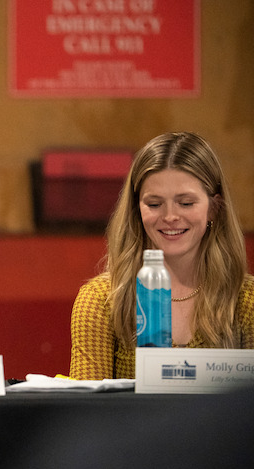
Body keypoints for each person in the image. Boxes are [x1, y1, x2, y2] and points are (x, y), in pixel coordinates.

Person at [70, 131, 254, 380]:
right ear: (137, 210)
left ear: (214, 208)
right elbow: (86, 413)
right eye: (154, 204)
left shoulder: (247, 301)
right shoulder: (101, 301)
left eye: (186, 203)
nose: (169, 217)